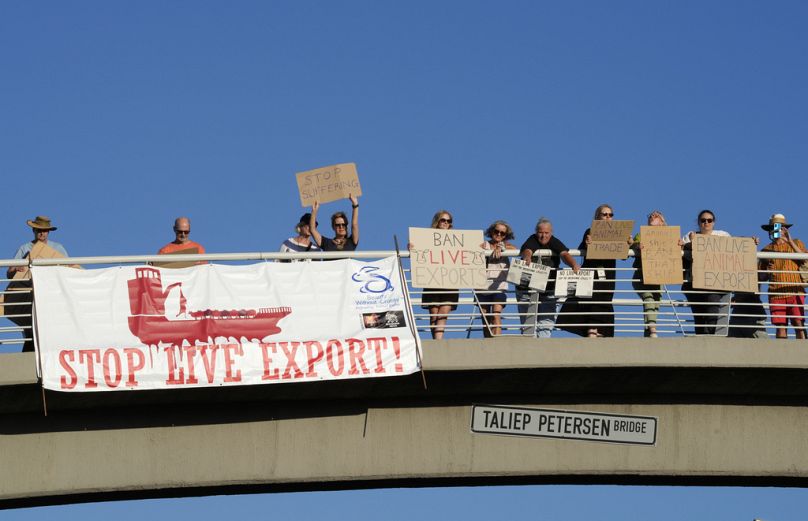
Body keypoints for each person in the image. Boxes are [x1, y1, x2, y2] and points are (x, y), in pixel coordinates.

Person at [557, 204, 629, 338]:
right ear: (597, 217)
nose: (608, 217)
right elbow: (582, 249)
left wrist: (628, 243)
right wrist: (588, 242)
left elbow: (624, 255)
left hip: (608, 276)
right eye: (605, 214)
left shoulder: (617, 235)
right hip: (593, 274)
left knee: (605, 300)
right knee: (593, 300)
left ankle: (600, 331)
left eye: (610, 215)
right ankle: (592, 330)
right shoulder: (590, 231)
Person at [6, 216, 69, 352]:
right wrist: (16, 269)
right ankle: (28, 360)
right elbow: (9, 272)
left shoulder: (58, 248)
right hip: (31, 295)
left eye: (45, 230)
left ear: (48, 232)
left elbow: (69, 269)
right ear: (34, 230)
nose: (42, 233)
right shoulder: (24, 248)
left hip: (52, 294)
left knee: (53, 329)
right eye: (39, 230)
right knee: (32, 330)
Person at [516, 217, 579, 338]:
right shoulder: (532, 239)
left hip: (548, 290)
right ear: (536, 232)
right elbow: (527, 250)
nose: (543, 236)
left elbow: (564, 254)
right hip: (527, 289)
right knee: (528, 327)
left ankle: (541, 352)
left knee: (545, 326)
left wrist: (574, 264)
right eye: (540, 232)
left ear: (551, 233)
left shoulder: (554, 241)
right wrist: (527, 257)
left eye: (546, 233)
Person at [630, 210, 680, 338]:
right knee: (649, 299)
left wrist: (680, 245)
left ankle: (648, 333)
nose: (652, 216)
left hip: (659, 277)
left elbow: (675, 252)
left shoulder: (670, 236)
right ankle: (653, 330)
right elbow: (633, 245)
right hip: (642, 275)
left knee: (655, 304)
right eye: (650, 215)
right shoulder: (641, 234)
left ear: (662, 221)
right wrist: (636, 245)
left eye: (656, 215)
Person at [681, 210, 731, 336]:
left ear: (714, 222)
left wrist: (751, 241)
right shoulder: (690, 235)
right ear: (698, 222)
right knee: (699, 314)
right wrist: (692, 243)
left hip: (715, 283)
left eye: (709, 220)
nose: (706, 223)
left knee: (712, 307)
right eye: (703, 220)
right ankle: (701, 340)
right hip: (694, 283)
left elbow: (734, 248)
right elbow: (682, 251)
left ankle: (709, 337)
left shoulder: (723, 235)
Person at [759, 213, 806, 339]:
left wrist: (790, 242)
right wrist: (767, 272)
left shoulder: (796, 242)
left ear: (785, 229)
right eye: (773, 227)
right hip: (776, 293)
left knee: (798, 323)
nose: (776, 230)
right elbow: (760, 277)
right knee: (780, 326)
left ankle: (802, 353)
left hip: (795, 290)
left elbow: (805, 260)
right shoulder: (766, 250)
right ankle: (781, 355)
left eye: (779, 227)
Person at [419, 210, 459, 340]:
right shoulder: (426, 237)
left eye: (448, 221)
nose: (446, 223)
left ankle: (438, 341)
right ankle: (436, 341)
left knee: (444, 311)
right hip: (432, 278)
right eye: (443, 220)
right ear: (437, 221)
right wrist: (413, 247)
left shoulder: (457, 239)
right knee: (434, 313)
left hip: (450, 280)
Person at [478, 220, 517, 337]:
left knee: (496, 314)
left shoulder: (507, 246)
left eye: (502, 233)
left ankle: (497, 342)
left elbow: (516, 250)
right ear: (491, 231)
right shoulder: (484, 245)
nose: (499, 234)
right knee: (485, 318)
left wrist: (502, 248)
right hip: (482, 286)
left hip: (499, 286)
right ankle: (488, 341)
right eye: (497, 231)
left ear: (506, 235)